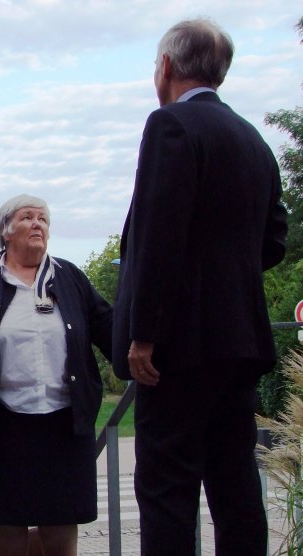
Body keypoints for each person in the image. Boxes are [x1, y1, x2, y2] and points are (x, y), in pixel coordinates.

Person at [112, 18, 288, 556]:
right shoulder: (253, 140)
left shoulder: (171, 126)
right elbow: (274, 242)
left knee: (167, 490)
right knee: (236, 487)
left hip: (177, 350)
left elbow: (159, 236)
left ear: (165, 66)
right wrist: (225, 276)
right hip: (239, 344)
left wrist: (144, 333)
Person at [0, 194, 112, 556]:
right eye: (27, 217)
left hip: (63, 425)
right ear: (5, 231)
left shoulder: (69, 278)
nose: (38, 224)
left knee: (61, 532)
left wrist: (141, 347)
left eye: (44, 219)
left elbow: (108, 327)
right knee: (7, 531)